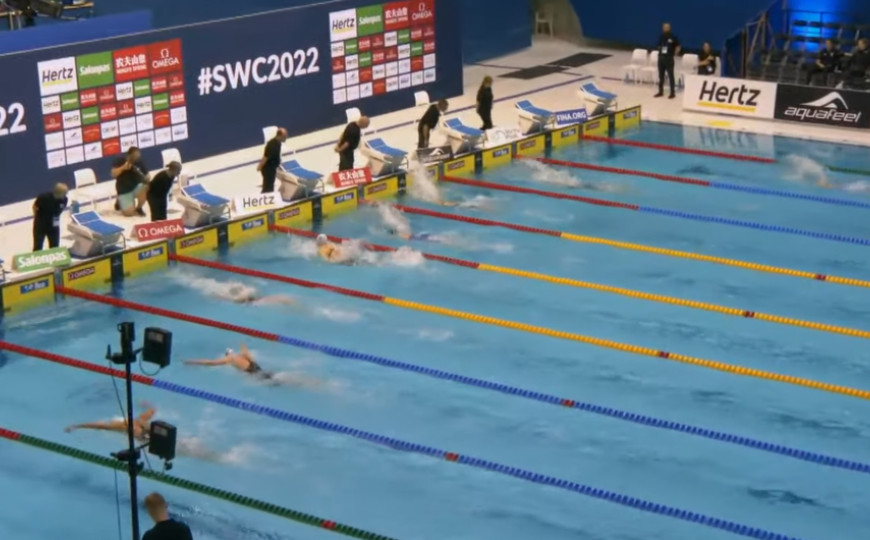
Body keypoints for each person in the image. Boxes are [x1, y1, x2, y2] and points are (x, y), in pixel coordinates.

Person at [65, 402, 157, 443]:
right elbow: (100, 426)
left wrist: (146, 404)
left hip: (130, 422)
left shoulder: (143, 420)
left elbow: (152, 409)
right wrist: (77, 426)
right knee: (104, 426)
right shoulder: (126, 427)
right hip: (118, 422)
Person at [185, 344, 273, 381]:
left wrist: (191, 362)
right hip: (255, 366)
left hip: (250, 370)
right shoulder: (239, 355)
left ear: (226, 354)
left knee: (269, 381)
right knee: (271, 377)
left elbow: (209, 362)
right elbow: (247, 354)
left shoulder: (228, 359)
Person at [112, 146, 150, 216]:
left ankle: (139, 208)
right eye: (134, 157)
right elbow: (113, 174)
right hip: (123, 190)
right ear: (128, 155)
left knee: (147, 187)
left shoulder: (139, 162)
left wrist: (146, 179)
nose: (136, 159)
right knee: (129, 214)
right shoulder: (120, 161)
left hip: (136, 187)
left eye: (137, 157)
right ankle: (119, 200)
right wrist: (123, 168)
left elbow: (147, 175)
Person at [32, 183, 69, 251]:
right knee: (38, 246)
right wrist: (37, 217)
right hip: (41, 224)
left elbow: (60, 210)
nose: (65, 195)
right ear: (59, 193)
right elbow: (34, 207)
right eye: (64, 193)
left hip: (54, 224)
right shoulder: (44, 197)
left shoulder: (64, 200)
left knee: (55, 246)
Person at [654, 22, 680, 99]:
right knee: (661, 76)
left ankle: (672, 92)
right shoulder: (661, 36)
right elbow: (658, 45)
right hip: (661, 58)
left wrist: (674, 53)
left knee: (670, 75)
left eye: (667, 27)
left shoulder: (673, 37)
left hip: (669, 58)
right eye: (664, 27)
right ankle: (660, 91)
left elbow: (678, 46)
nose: (665, 29)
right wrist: (660, 49)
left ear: (669, 28)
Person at [257, 128, 287, 194]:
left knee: (270, 186)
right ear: (279, 136)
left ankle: (268, 195)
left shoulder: (278, 143)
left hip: (273, 168)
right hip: (268, 169)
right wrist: (259, 167)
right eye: (284, 136)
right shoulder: (271, 145)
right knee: (268, 187)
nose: (286, 138)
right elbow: (265, 157)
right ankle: (264, 197)